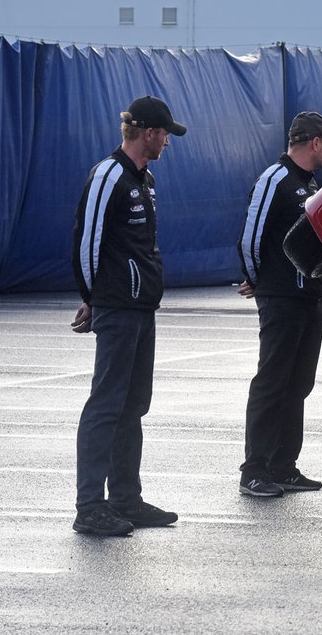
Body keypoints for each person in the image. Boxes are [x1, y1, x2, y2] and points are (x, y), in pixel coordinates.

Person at [70, 95, 187, 536]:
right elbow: (87, 242)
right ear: (150, 134)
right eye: (166, 136)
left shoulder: (145, 179)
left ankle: (126, 499)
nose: (168, 144)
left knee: (133, 406)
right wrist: (93, 298)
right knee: (106, 404)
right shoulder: (109, 174)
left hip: (141, 308)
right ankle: (89, 507)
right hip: (117, 308)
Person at [236, 111, 322, 497]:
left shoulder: (310, 183)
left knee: (299, 384)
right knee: (272, 382)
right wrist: (258, 279)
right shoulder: (275, 179)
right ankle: (254, 470)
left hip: (310, 296)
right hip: (281, 298)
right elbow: (250, 235)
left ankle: (284, 465)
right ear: (314, 142)